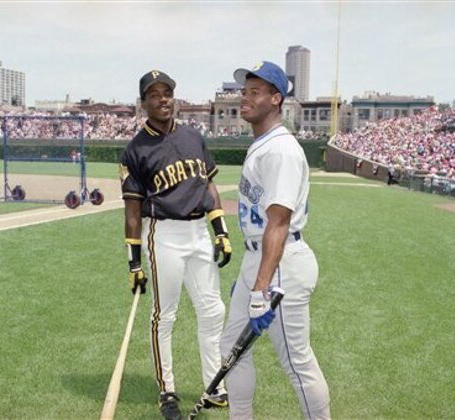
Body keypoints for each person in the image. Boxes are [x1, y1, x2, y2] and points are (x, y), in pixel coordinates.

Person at [219, 61, 331, 419]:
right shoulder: (264, 144)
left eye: (255, 92)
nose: (245, 98)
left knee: (296, 361)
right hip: (262, 259)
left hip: (281, 265)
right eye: (244, 91)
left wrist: (260, 286)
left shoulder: (281, 149)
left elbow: (279, 223)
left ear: (276, 98)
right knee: (231, 347)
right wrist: (252, 275)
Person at [119, 70, 233, 420]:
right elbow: (133, 211)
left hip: (199, 231)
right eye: (154, 94)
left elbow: (208, 188)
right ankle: (167, 391)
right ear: (144, 103)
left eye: (167, 92)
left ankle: (214, 386)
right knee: (164, 316)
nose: (162, 99)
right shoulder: (135, 150)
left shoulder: (194, 138)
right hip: (163, 234)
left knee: (213, 310)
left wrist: (221, 230)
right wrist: (134, 263)